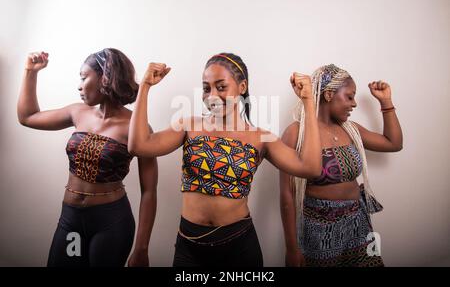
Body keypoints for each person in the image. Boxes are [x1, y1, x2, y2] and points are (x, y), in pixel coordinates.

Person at [128, 53, 322, 267]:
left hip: (239, 247)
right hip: (190, 246)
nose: (212, 96)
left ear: (242, 87)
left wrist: (308, 102)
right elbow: (139, 145)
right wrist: (145, 86)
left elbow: (311, 167)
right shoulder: (188, 126)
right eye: (206, 88)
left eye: (221, 87)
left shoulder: (261, 138)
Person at [17, 49, 158, 267]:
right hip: (71, 219)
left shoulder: (136, 126)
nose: (79, 85)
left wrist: (141, 249)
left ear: (105, 77)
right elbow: (28, 117)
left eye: (84, 77)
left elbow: (149, 191)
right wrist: (30, 72)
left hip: (111, 223)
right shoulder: (78, 112)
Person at [279, 64, 403, 267]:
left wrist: (386, 101)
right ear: (328, 95)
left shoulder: (350, 129)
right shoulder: (296, 133)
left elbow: (394, 143)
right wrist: (292, 249)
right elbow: (287, 196)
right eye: (350, 96)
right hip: (319, 230)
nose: (354, 103)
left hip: (358, 223)